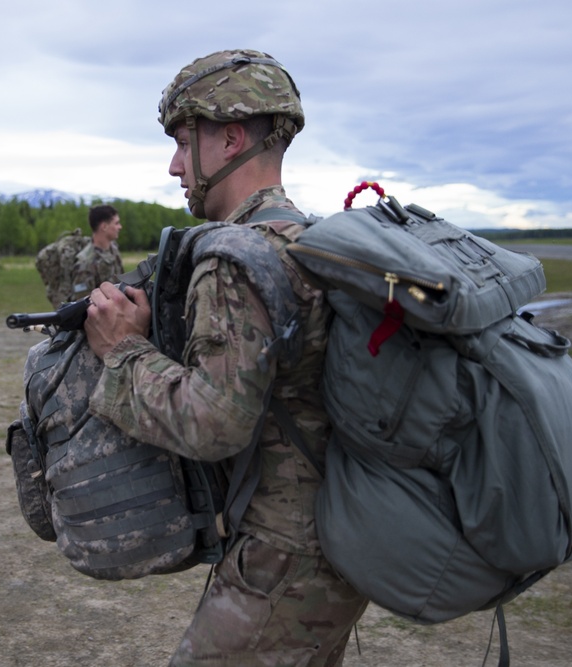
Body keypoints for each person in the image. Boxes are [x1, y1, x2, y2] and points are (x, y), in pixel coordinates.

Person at [82, 49, 369, 666]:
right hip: (342, 537)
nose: (173, 166)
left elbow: (214, 422)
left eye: (183, 143)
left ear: (230, 137)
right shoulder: (311, 238)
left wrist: (121, 351)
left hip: (284, 554)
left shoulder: (235, 257)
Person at [70, 204, 124, 300]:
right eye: (116, 223)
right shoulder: (85, 263)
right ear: (104, 227)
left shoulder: (113, 249)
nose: (120, 227)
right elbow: (82, 304)